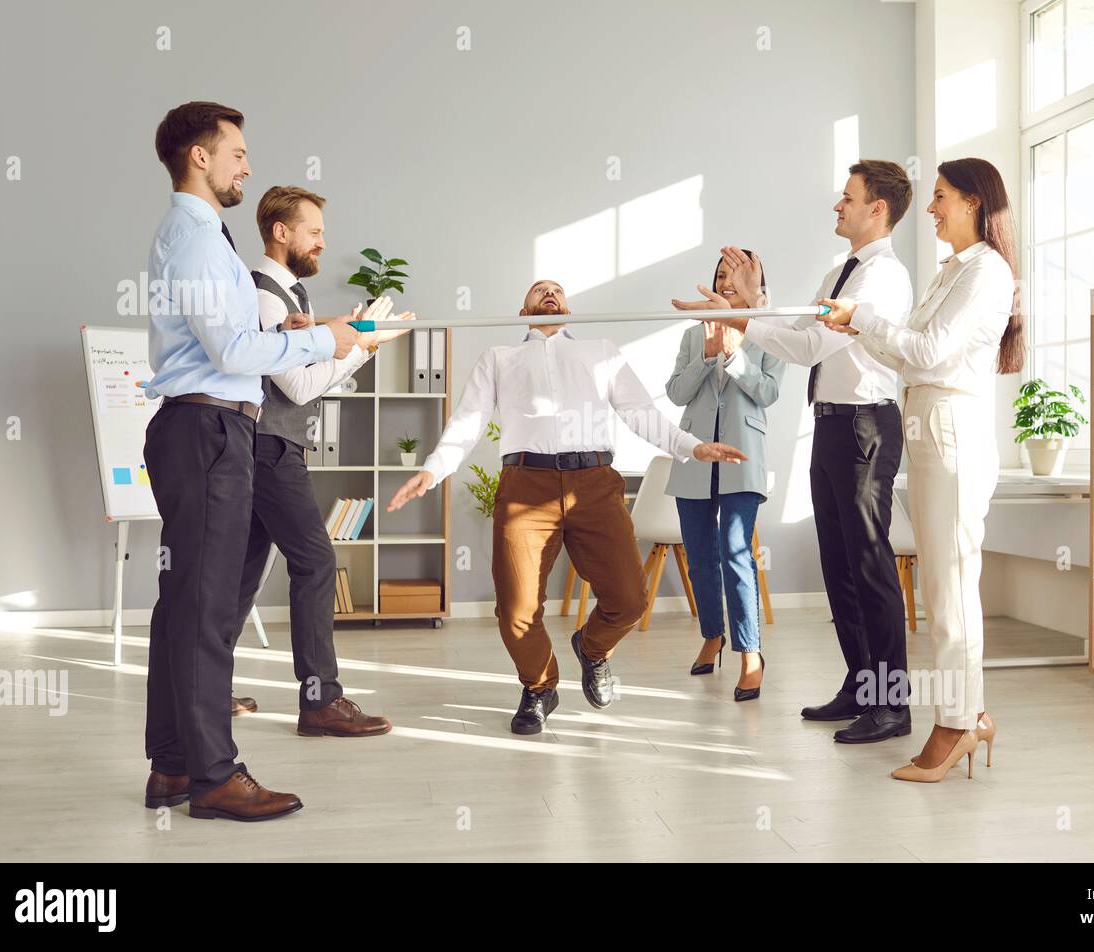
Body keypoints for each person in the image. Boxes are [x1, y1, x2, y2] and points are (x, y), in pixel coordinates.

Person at [385, 280, 747, 735]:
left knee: (629, 599)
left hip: (594, 483)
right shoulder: (500, 358)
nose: (549, 294)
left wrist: (691, 447)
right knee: (516, 610)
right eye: (539, 291)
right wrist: (433, 469)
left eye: (556, 290)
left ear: (568, 310)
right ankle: (539, 687)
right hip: (525, 485)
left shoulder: (601, 351)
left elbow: (641, 413)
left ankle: (592, 649)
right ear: (524, 311)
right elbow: (468, 421)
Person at [143, 101, 365, 822]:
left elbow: (234, 338)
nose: (245, 164)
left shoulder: (199, 235)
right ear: (199, 158)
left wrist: (301, 334)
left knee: (185, 607)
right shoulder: (200, 237)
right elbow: (234, 353)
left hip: (204, 429)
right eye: (235, 151)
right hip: (208, 429)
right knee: (203, 610)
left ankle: (175, 767)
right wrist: (326, 341)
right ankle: (213, 776)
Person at [675, 160, 915, 743]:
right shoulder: (841, 271)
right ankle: (861, 687)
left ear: (877, 209)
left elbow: (807, 347)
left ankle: (892, 704)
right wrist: (750, 307)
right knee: (838, 564)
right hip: (831, 426)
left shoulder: (880, 277)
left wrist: (742, 313)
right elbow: (789, 334)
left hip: (866, 428)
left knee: (869, 564)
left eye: (848, 198)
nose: (838, 206)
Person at [819, 157, 1022, 782]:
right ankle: (973, 714)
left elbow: (925, 351)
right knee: (941, 587)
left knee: (950, 590)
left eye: (941, 197)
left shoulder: (987, 272)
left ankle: (955, 725)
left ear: (974, 203)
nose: (931, 209)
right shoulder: (952, 273)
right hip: (929, 426)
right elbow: (908, 349)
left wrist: (862, 321)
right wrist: (865, 326)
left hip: (952, 432)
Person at [230, 185, 413, 737]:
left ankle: (207, 688)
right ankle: (320, 703)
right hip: (268, 448)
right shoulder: (265, 296)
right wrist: (362, 344)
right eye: (314, 232)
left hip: (275, 446)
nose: (322, 244)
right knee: (314, 563)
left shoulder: (296, 299)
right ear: (281, 233)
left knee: (241, 576)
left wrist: (352, 339)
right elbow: (300, 387)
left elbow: (309, 380)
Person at [664, 250, 784, 701]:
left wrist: (735, 358)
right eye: (720, 274)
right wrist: (707, 357)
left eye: (736, 273)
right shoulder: (695, 334)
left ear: (755, 281)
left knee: (736, 553)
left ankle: (750, 652)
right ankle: (713, 635)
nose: (726, 280)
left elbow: (768, 392)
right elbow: (676, 393)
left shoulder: (771, 333)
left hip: (743, 456)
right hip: (696, 457)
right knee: (699, 558)